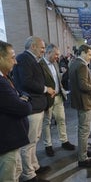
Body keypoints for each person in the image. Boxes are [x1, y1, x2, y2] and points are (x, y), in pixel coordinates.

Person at [13, 36, 55, 182]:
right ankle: (28, 174)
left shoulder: (31, 59)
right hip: (32, 107)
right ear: (33, 46)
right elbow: (27, 82)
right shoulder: (24, 59)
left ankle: (34, 166)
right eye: (42, 47)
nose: (44, 50)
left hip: (37, 106)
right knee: (29, 143)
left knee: (35, 140)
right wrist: (46, 89)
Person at [0, 40, 32, 182]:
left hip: (11, 142)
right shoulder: (1, 83)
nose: (15, 62)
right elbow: (22, 107)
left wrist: (23, 98)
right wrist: (24, 100)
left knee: (16, 172)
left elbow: (21, 95)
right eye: (12, 57)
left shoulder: (5, 78)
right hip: (7, 143)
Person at [39, 44, 75, 157]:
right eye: (56, 54)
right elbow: (39, 83)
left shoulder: (55, 63)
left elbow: (55, 78)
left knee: (61, 119)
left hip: (58, 96)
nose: (57, 57)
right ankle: (48, 145)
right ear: (48, 53)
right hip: (48, 98)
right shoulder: (40, 65)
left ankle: (64, 141)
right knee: (47, 122)